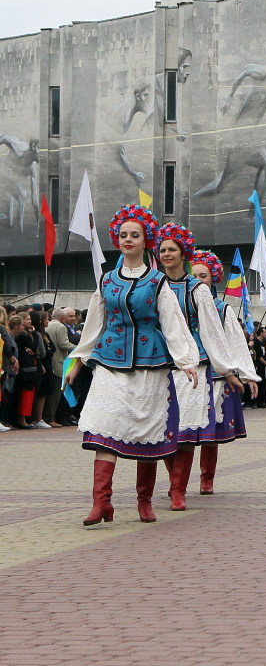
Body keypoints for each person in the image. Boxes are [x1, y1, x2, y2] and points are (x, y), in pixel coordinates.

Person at [64, 205, 200, 525]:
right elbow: (94, 324)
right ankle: (102, 503)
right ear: (117, 239)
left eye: (134, 235)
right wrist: (78, 361)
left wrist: (186, 360)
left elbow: (172, 322)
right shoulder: (107, 280)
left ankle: (145, 501)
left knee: (145, 431)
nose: (128, 239)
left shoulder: (157, 281)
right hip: (110, 361)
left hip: (150, 363)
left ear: (145, 241)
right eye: (123, 234)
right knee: (103, 425)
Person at [155, 227, 244, 512]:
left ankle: (178, 490)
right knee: (164, 428)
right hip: (161, 362)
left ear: (184, 253)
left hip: (196, 364)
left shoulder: (197, 289)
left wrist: (228, 371)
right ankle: (174, 482)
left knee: (186, 430)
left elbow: (212, 332)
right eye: (163, 250)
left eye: (172, 249)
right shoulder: (153, 285)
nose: (167, 254)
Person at [189, 249, 260, 497]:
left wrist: (248, 374)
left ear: (213, 278)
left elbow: (236, 342)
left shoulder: (222, 309)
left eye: (203, 275)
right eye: (194, 275)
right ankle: (178, 482)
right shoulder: (177, 303)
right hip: (187, 375)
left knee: (209, 435)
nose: (199, 280)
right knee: (180, 433)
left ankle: (206, 479)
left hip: (216, 377)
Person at [47, 308, 78, 426]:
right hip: (59, 362)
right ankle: (51, 418)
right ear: (62, 317)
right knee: (57, 393)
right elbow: (63, 344)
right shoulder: (61, 327)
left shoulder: (48, 325)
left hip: (51, 362)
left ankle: (50, 417)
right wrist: (78, 348)